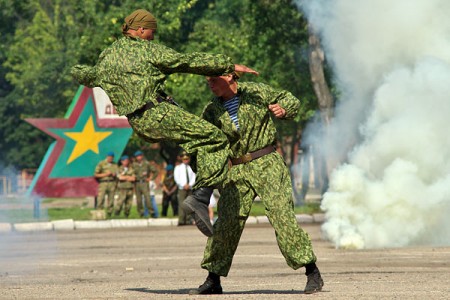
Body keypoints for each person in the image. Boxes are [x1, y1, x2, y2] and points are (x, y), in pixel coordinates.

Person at [71, 8, 258, 237]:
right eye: (151, 32)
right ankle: (200, 198)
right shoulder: (147, 51)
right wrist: (226, 66)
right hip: (157, 113)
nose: (153, 36)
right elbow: (186, 61)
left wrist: (74, 70)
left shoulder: (106, 58)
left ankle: (210, 188)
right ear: (140, 30)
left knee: (198, 146)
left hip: (140, 124)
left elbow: (86, 76)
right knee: (215, 138)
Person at [189, 74, 324, 295]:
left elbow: (289, 99)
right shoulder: (211, 110)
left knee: (282, 217)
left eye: (214, 79)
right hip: (236, 168)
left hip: (266, 162)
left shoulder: (255, 92)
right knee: (226, 224)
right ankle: (213, 279)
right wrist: (197, 163)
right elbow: (203, 141)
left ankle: (312, 272)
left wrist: (284, 109)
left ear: (230, 76)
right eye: (208, 81)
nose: (210, 84)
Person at [132, 150, 157, 217]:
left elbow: (155, 171)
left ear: (142, 156)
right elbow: (131, 173)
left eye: (140, 156)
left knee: (147, 198)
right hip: (137, 183)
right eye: (137, 156)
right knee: (139, 200)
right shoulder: (134, 165)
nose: (139, 157)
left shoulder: (147, 164)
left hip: (144, 183)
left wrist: (151, 178)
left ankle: (151, 212)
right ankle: (141, 213)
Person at [94, 151, 118, 218]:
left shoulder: (115, 164)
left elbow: (118, 173)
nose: (111, 158)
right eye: (109, 157)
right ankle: (99, 213)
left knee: (111, 200)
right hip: (103, 183)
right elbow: (96, 174)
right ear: (107, 157)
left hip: (112, 183)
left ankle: (109, 214)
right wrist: (105, 174)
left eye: (112, 157)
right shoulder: (101, 163)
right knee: (101, 199)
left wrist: (114, 174)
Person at [174, 151, 196, 226]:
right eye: (184, 159)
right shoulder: (178, 168)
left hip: (190, 188)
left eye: (187, 159)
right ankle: (181, 220)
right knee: (181, 204)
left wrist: (189, 185)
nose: (185, 160)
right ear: (182, 159)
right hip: (182, 188)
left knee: (190, 204)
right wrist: (183, 185)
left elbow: (194, 177)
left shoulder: (192, 167)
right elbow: (176, 178)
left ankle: (189, 219)